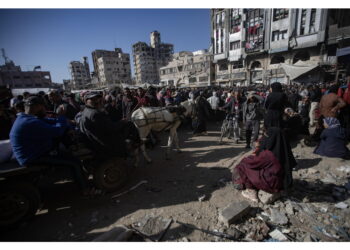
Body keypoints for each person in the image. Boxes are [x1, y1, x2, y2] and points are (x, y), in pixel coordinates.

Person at [9, 96, 90, 194]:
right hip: (32, 156)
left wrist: (69, 123)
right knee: (74, 162)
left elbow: (51, 122)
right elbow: (57, 131)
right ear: (37, 107)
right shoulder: (30, 122)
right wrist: (61, 116)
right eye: (43, 107)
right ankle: (86, 190)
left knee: (65, 145)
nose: (45, 110)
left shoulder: (25, 118)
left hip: (34, 151)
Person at [233, 127, 296, 202]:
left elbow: (251, 163)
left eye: (266, 136)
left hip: (271, 184)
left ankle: (251, 191)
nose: (264, 138)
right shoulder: (284, 150)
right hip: (281, 181)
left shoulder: (268, 154)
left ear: (272, 138)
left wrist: (250, 157)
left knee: (242, 165)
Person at [79, 92, 139, 158]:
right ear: (86, 101)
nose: (96, 101)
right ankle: (130, 147)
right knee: (129, 124)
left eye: (97, 99)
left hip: (95, 141)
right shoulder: (95, 114)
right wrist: (122, 122)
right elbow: (112, 128)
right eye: (92, 99)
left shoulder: (86, 111)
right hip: (103, 144)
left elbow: (106, 126)